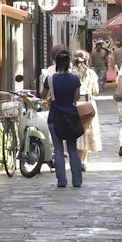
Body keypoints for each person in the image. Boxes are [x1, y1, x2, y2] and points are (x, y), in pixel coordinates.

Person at [43, 50, 83, 188]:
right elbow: (76, 98)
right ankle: (77, 181)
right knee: (72, 148)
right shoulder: (75, 79)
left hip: (55, 117)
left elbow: (43, 95)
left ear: (56, 63)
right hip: (71, 117)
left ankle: (61, 181)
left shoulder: (50, 79)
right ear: (69, 63)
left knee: (59, 150)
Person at [73, 49, 103, 170]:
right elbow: (96, 90)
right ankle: (82, 161)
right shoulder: (91, 73)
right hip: (87, 104)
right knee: (86, 134)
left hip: (74, 103)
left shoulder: (71, 73)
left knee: (74, 134)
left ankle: (76, 159)